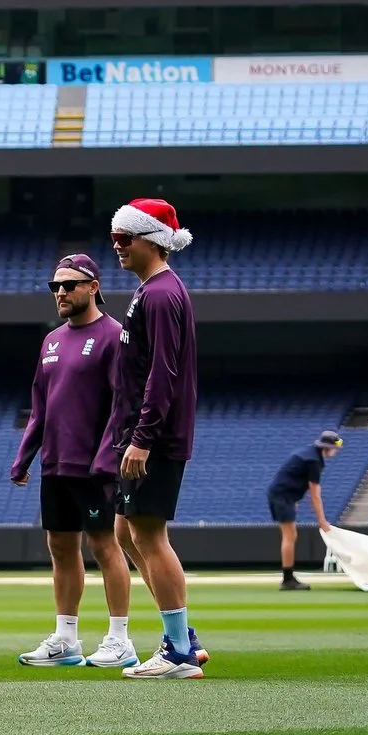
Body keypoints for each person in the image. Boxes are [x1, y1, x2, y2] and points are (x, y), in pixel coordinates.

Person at [9, 253, 136, 667]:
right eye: (54, 287)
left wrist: (107, 458)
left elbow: (123, 405)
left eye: (69, 285)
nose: (60, 292)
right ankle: (66, 639)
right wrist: (25, 456)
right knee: (60, 547)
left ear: (93, 287)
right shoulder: (50, 340)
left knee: (105, 544)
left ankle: (120, 639)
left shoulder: (114, 336)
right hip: (56, 465)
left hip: (95, 467)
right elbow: (40, 407)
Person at [104, 197, 204, 680]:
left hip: (154, 438)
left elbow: (162, 372)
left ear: (152, 240)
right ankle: (184, 636)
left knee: (147, 533)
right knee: (125, 530)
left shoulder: (162, 295)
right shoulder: (151, 291)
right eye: (114, 238)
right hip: (142, 432)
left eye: (126, 238)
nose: (117, 246)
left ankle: (179, 651)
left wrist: (142, 438)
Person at [268, 431, 343, 592]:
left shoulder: (309, 454)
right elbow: (315, 496)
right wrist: (322, 521)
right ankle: (287, 580)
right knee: (289, 536)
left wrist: (293, 499)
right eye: (334, 448)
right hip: (282, 496)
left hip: (282, 495)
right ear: (327, 447)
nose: (335, 451)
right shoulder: (313, 461)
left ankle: (288, 577)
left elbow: (290, 476)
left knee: (291, 535)